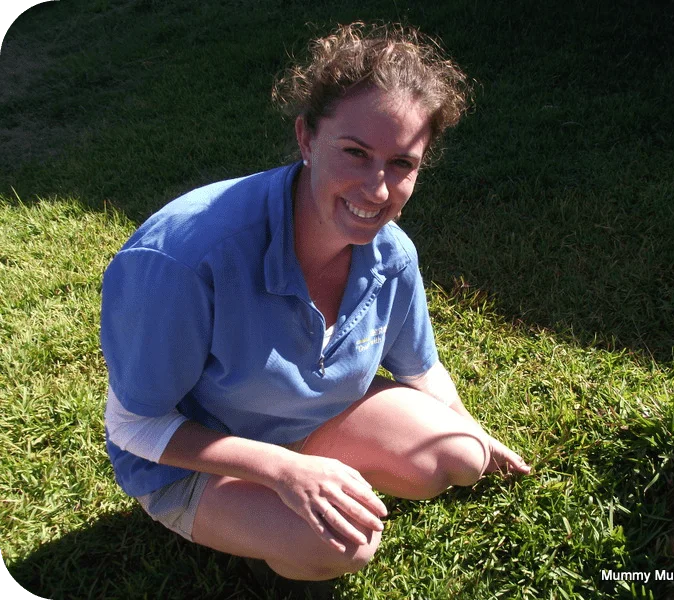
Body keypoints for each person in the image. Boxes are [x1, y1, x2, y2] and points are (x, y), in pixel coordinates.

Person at [101, 21, 530, 585]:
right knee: (344, 547)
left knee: (459, 459)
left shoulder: (391, 254)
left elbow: (420, 369)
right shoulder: (186, 258)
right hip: (187, 458)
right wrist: (282, 469)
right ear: (307, 138)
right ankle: (232, 519)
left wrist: (470, 428)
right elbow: (132, 425)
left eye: (402, 164)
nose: (377, 190)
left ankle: (311, 470)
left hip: (305, 419)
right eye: (355, 152)